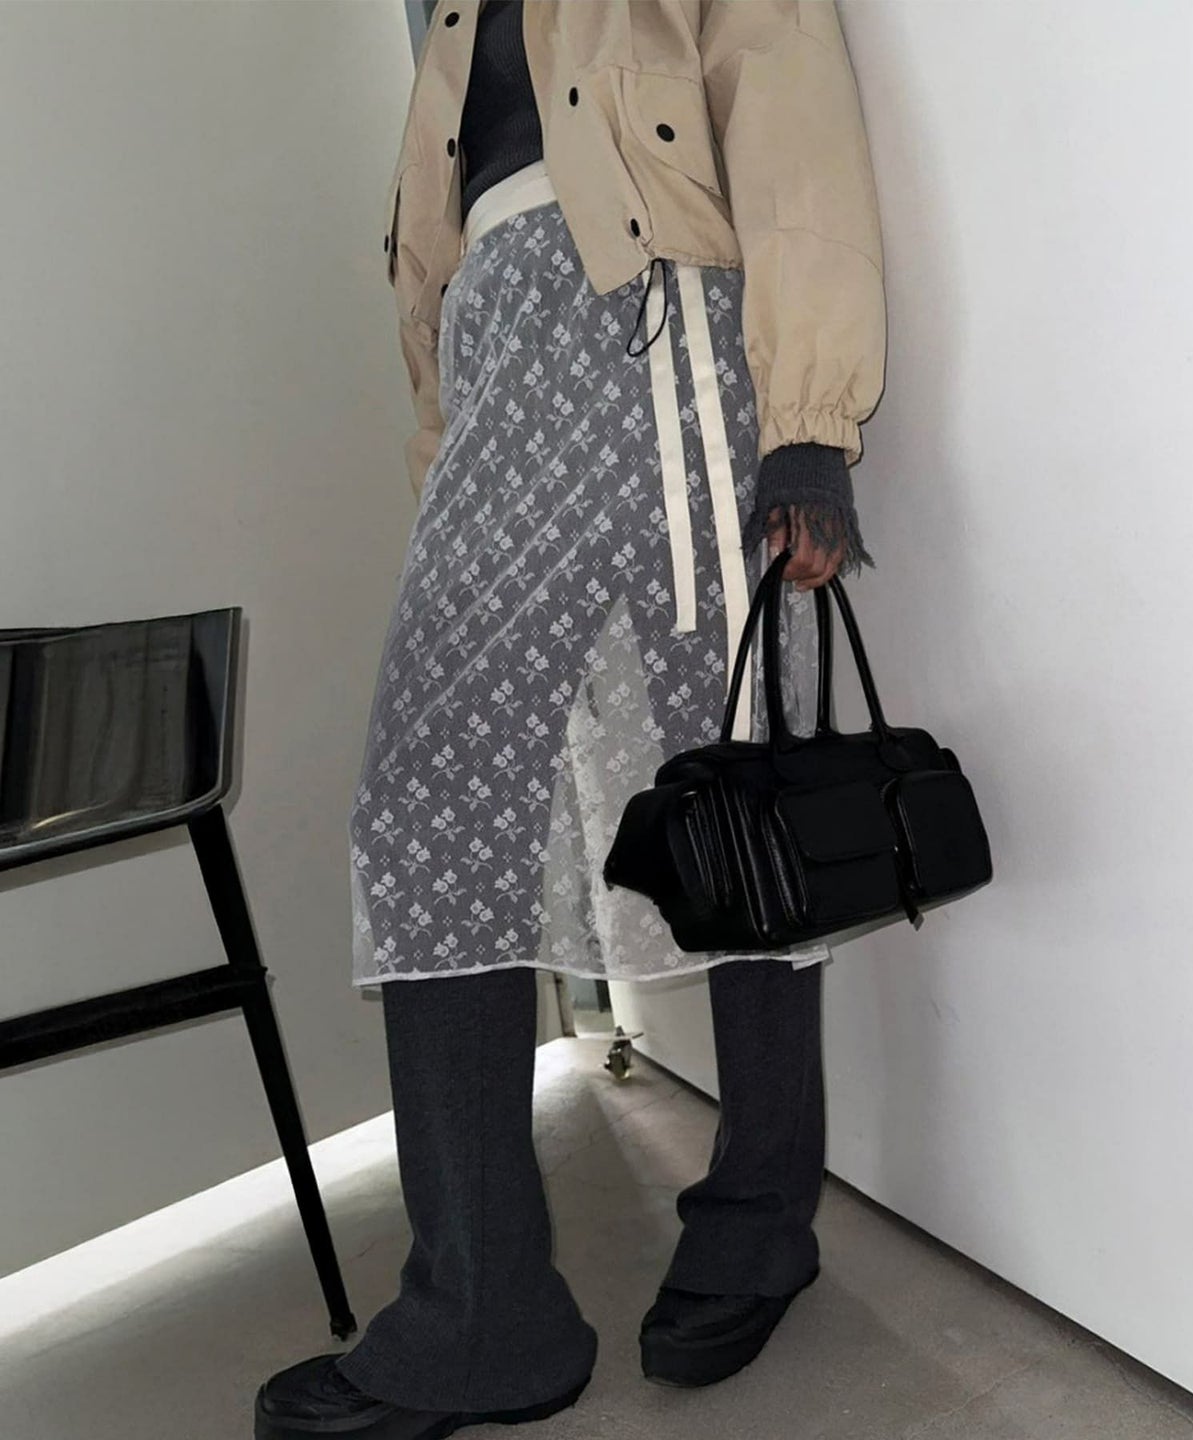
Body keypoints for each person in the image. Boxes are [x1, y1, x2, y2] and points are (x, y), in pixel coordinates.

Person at [255, 1, 885, 1436]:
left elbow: (787, 110)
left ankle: (760, 1220)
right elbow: (437, 267)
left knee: (736, 790)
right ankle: (485, 1314)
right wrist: (444, 453)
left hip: (661, 330)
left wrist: (808, 419)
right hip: (502, 359)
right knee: (429, 811)